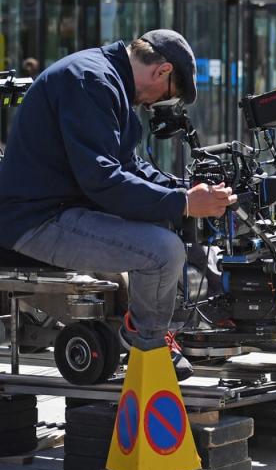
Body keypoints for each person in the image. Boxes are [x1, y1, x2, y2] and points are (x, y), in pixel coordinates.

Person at [0, 30, 237, 381]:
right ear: (162, 71)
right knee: (162, 252)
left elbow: (129, 166)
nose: (154, 105)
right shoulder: (91, 81)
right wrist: (185, 203)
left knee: (164, 225)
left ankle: (146, 327)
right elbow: (103, 180)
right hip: (35, 219)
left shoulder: (109, 80)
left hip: (64, 208)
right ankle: (148, 346)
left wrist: (183, 189)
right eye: (166, 96)